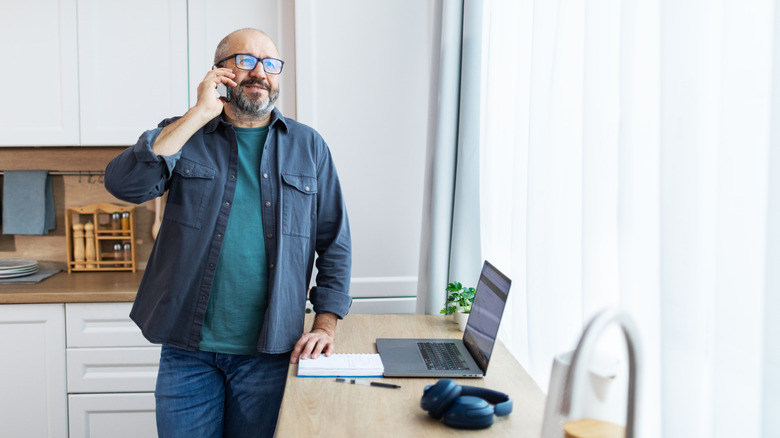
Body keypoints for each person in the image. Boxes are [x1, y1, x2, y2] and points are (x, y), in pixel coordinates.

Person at [104, 28, 352, 438]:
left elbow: (334, 242)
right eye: (245, 60)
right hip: (188, 351)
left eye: (270, 64)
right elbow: (125, 185)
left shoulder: (309, 146)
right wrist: (199, 113)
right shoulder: (183, 132)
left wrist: (325, 325)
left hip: (271, 352)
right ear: (219, 71)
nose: (260, 72)